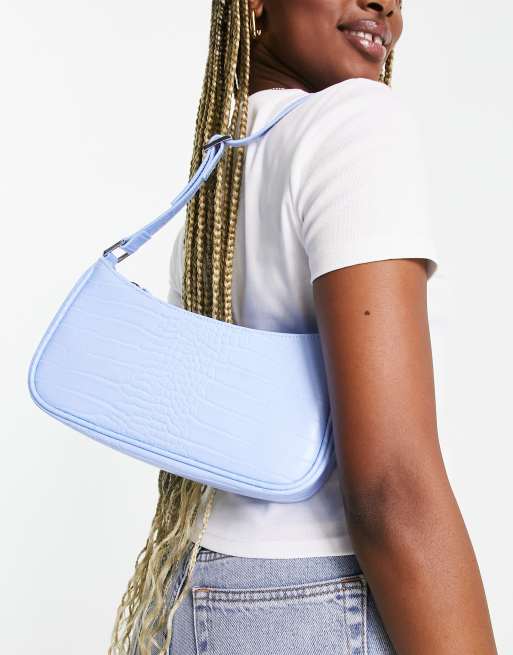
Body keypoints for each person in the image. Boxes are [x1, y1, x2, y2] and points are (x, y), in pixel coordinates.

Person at [108, 2, 498, 654]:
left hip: (192, 591)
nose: (385, 4)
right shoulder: (354, 123)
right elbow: (392, 488)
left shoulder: (228, 160)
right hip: (311, 606)